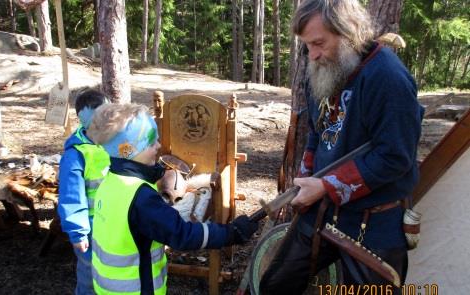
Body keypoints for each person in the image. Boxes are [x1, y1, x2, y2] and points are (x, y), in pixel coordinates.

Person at [260, 0, 424, 294]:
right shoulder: (322, 66)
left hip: (372, 224)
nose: (312, 55)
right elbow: (317, 132)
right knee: (273, 285)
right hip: (323, 212)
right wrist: (306, 179)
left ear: (348, 32)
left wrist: (325, 186)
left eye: (318, 43)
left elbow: (394, 157)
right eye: (307, 45)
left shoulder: (388, 78)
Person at [87, 103, 259, 294]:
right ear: (129, 150)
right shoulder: (140, 197)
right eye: (151, 142)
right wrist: (231, 233)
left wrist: (153, 173)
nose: (159, 146)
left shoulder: (110, 181)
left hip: (107, 287)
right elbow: (182, 234)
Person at [57, 89, 110, 295]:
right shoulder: (76, 155)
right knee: (90, 275)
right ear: (83, 119)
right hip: (91, 227)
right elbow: (71, 197)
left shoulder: (113, 142)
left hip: (115, 222)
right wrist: (78, 232)